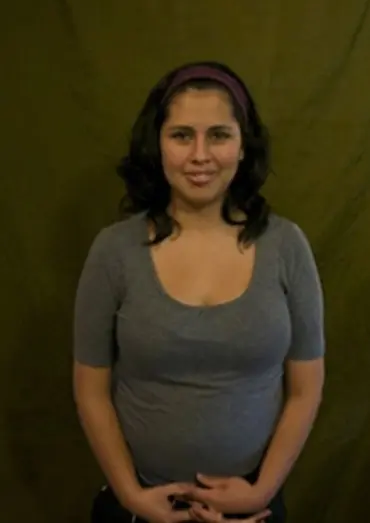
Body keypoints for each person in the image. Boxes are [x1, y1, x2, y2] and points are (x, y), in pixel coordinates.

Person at [73, 61, 325, 523]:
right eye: (182, 135)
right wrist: (131, 496)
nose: (200, 155)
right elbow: (91, 389)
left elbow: (306, 389)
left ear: (243, 145)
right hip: (139, 506)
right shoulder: (114, 250)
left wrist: (260, 492)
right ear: (158, 144)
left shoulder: (287, 246)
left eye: (219, 135)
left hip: (252, 508)